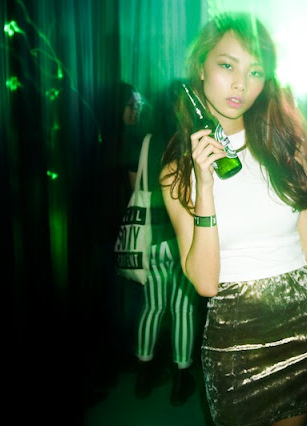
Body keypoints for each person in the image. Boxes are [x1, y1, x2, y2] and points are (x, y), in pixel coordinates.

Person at [160, 13, 307, 426]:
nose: (241, 84)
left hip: (302, 334)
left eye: (255, 71)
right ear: (201, 67)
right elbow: (206, 283)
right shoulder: (177, 173)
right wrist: (205, 186)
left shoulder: (285, 150)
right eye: (227, 65)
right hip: (235, 347)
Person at [130, 87, 200, 406]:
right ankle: (181, 378)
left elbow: (136, 187)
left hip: (152, 237)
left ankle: (143, 375)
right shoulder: (189, 142)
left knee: (152, 306)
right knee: (183, 307)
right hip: (183, 236)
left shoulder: (145, 141)